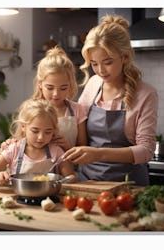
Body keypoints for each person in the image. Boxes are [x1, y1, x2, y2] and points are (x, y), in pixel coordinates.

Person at [63, 14, 158, 186]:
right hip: (89, 184)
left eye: (107, 62)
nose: (100, 70)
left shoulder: (146, 94)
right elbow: (78, 129)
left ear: (124, 57)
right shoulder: (93, 85)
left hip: (130, 187)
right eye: (94, 63)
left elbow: (146, 151)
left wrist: (99, 154)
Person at [0, 46, 88, 153]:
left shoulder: (78, 110)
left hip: (69, 167)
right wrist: (8, 145)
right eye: (50, 87)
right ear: (40, 84)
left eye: (63, 88)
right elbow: (20, 143)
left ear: (71, 85)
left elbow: (83, 150)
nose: (56, 94)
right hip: (37, 169)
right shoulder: (29, 108)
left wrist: (67, 147)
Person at [0, 99, 76, 185]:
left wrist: (65, 180)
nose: (41, 137)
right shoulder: (14, 149)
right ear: (23, 127)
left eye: (48, 132)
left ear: (54, 130)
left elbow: (71, 177)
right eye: (35, 131)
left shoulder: (56, 151)